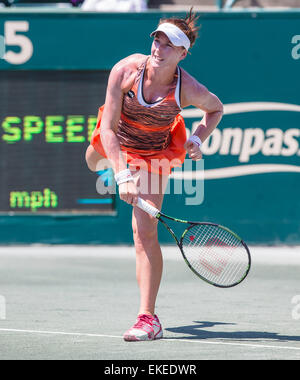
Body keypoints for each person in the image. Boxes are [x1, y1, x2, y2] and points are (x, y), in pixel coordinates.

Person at [85, 9, 223, 341]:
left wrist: (195, 138)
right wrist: (120, 175)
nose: (159, 48)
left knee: (143, 231)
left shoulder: (188, 88)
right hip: (119, 136)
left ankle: (148, 318)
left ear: (182, 53)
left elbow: (216, 109)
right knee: (91, 162)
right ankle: (116, 166)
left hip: (154, 152)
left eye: (168, 44)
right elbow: (106, 127)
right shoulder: (125, 70)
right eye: (157, 39)